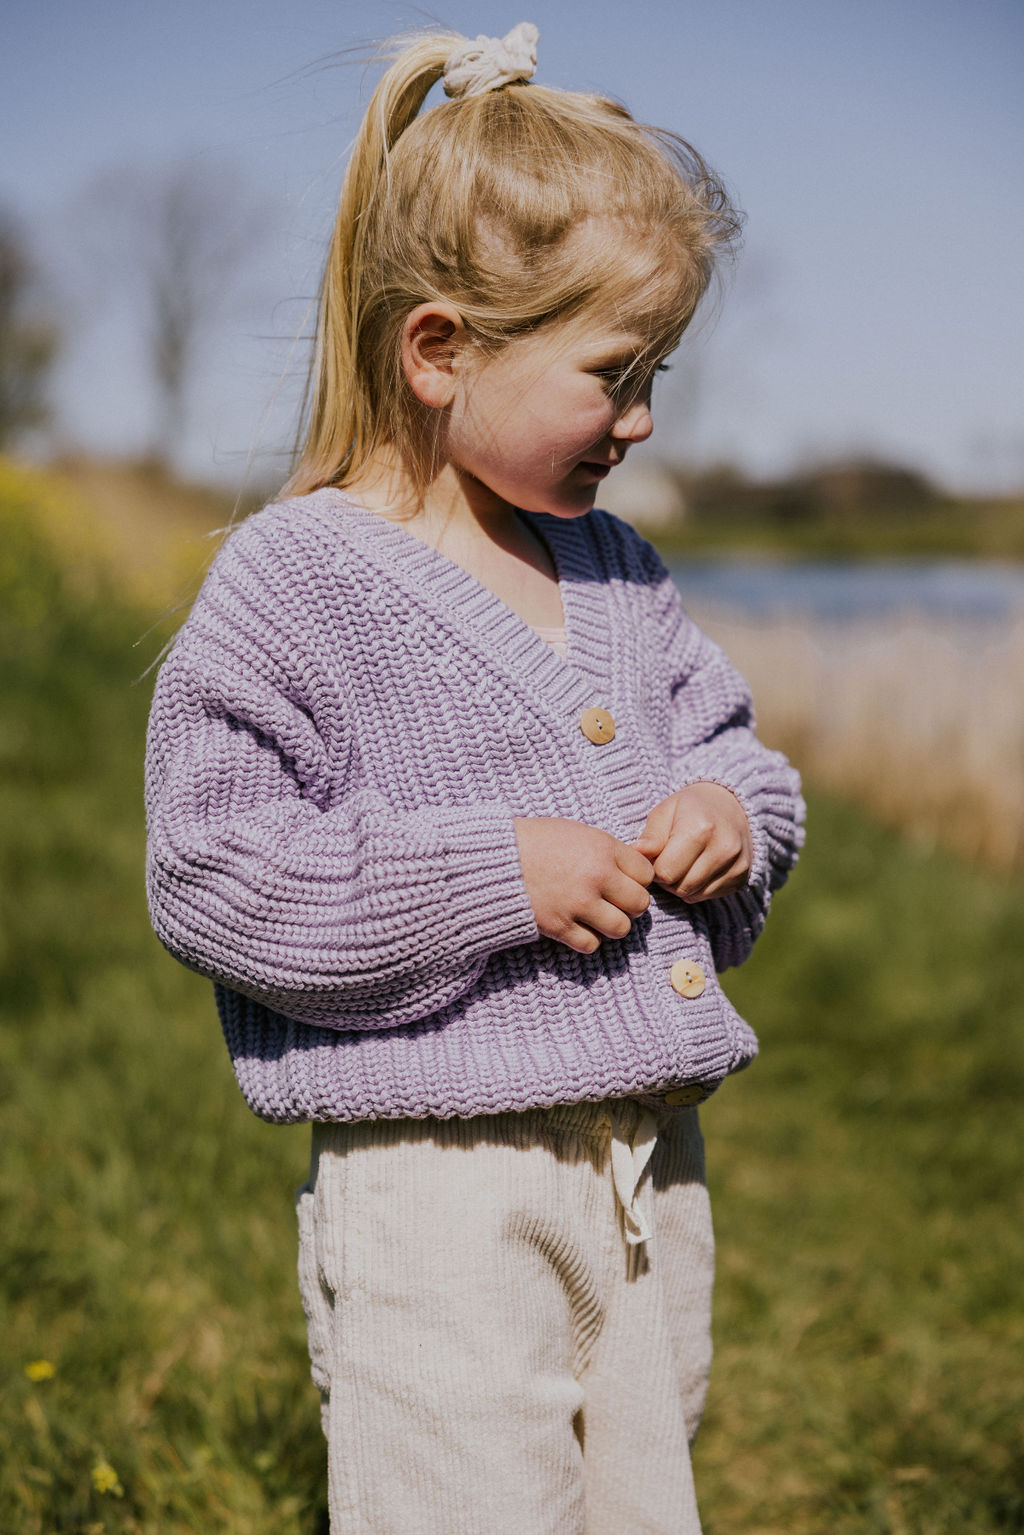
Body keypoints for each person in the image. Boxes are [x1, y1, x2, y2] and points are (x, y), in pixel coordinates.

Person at [145, 21, 805, 1534]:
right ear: (440, 351)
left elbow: (734, 748)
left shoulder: (617, 569)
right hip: (438, 1182)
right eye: (612, 374)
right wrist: (493, 874)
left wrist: (730, 816)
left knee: (643, 1504)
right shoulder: (296, 583)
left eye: (658, 373)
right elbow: (213, 872)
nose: (643, 417)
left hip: (647, 1166)